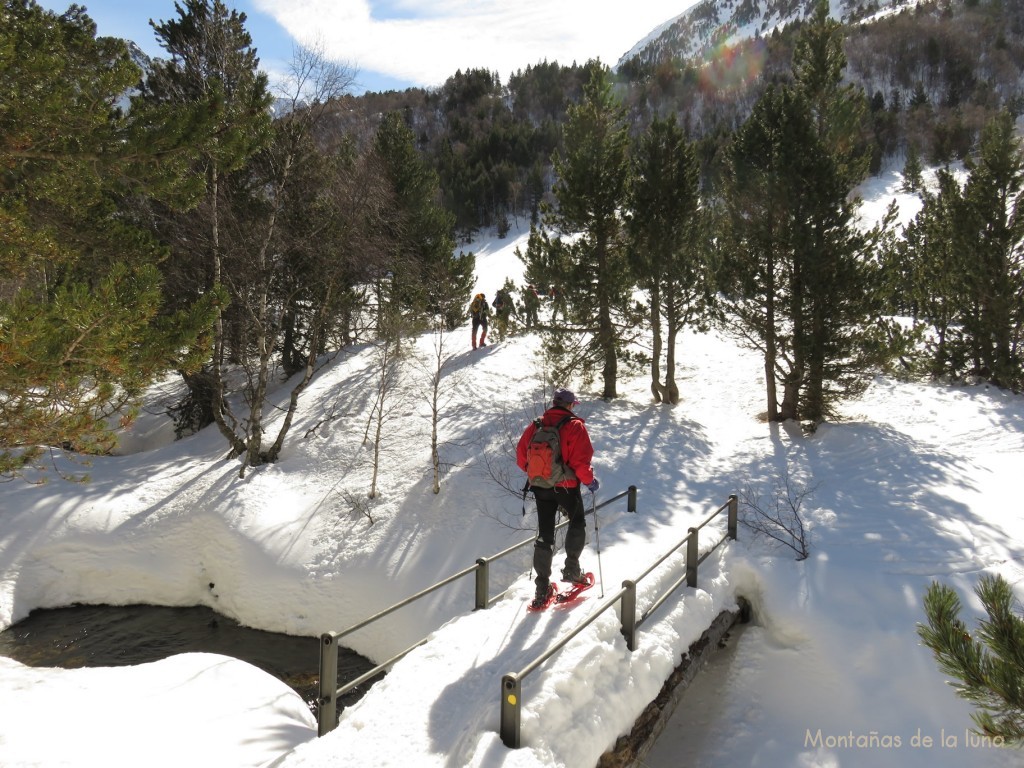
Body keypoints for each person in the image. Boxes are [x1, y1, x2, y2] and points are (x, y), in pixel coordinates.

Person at [516, 387, 600, 608]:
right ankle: (572, 568)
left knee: (544, 535)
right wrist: (590, 481)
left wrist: (538, 473)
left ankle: (542, 587)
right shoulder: (575, 426)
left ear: (554, 403)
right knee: (577, 521)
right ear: (571, 405)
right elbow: (581, 463)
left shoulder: (536, 425)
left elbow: (520, 456)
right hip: (566, 487)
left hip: (540, 487)